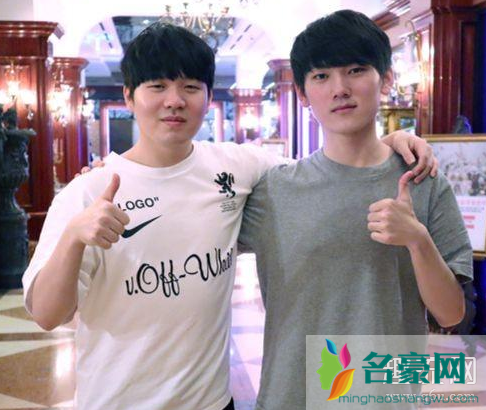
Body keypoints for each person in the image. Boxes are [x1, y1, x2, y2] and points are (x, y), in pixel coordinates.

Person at [24, 21, 437, 410]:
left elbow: (325, 172)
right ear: (130, 97)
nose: (174, 100)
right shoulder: (88, 193)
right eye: (157, 86)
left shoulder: (237, 166)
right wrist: (74, 238)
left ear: (207, 98)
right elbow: (46, 314)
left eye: (190, 87)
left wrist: (390, 140)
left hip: (213, 401)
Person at [238, 10, 473, 410]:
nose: (340, 89)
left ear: (386, 80)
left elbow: (452, 313)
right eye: (321, 76)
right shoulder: (273, 190)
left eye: (356, 70)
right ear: (302, 94)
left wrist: (417, 240)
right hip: (292, 396)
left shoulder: (424, 181)